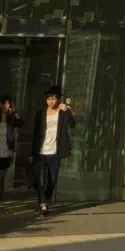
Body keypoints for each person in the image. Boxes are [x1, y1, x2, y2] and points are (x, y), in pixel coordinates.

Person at [27, 86, 76, 217]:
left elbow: (72, 124)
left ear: (58, 99)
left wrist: (67, 110)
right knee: (40, 180)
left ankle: (45, 197)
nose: (51, 101)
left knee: (52, 181)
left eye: (53, 99)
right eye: (49, 99)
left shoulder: (62, 112)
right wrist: (32, 153)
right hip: (41, 152)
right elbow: (36, 134)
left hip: (55, 152)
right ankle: (43, 204)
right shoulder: (40, 113)